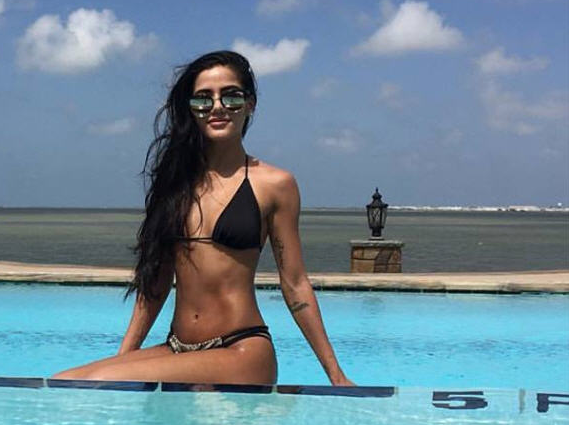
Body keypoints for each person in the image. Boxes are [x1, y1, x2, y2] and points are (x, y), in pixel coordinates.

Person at [53, 51, 352, 386]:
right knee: (65, 380)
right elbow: (157, 282)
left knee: (95, 381)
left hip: (240, 350)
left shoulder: (275, 184)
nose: (217, 107)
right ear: (191, 109)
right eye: (203, 99)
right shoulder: (175, 183)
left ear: (250, 104)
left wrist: (336, 375)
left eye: (231, 96)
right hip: (178, 348)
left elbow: (295, 284)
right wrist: (124, 356)